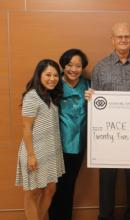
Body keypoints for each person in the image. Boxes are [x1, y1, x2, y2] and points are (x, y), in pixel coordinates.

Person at [87, 22, 130, 220]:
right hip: (108, 134)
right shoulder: (100, 67)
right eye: (119, 37)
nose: (123, 40)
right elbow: (94, 102)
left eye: (127, 37)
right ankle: (105, 216)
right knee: (107, 178)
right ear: (112, 40)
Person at [15, 59, 65, 220]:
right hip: (35, 151)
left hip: (51, 152)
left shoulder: (51, 96)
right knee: (33, 192)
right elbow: (26, 127)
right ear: (39, 75)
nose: (52, 78)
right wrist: (31, 155)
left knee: (50, 189)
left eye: (56, 75)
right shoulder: (32, 96)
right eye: (48, 75)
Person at [49, 49, 90, 220]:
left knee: (70, 184)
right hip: (56, 144)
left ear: (83, 67)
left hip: (79, 143)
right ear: (63, 65)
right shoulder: (54, 82)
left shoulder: (88, 85)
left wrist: (95, 97)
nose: (73, 69)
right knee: (55, 187)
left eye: (78, 66)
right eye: (69, 65)